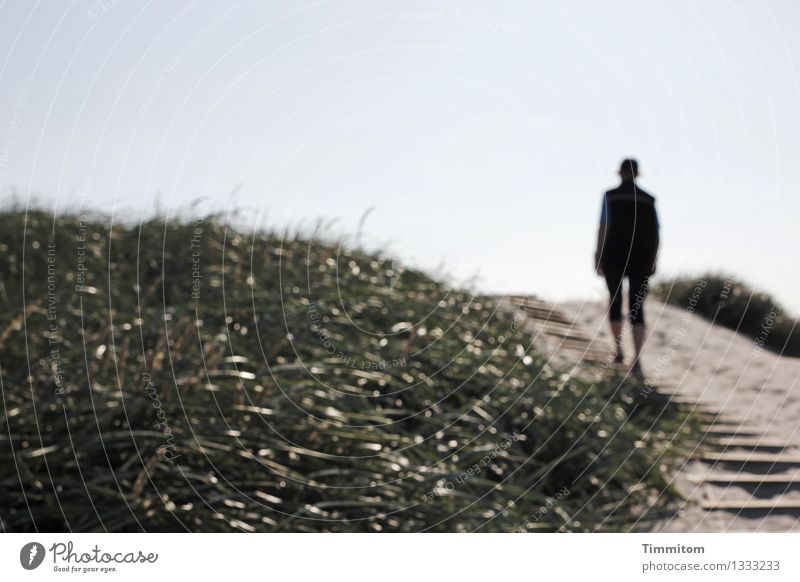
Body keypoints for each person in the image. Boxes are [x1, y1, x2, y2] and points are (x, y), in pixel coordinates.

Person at [594, 159, 659, 375]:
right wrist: (654, 260)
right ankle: (637, 360)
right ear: (638, 174)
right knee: (637, 308)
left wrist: (598, 254)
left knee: (615, 301)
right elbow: (656, 233)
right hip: (641, 258)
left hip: (614, 255)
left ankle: (619, 352)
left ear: (620, 173)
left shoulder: (610, 196)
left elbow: (604, 226)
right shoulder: (649, 200)